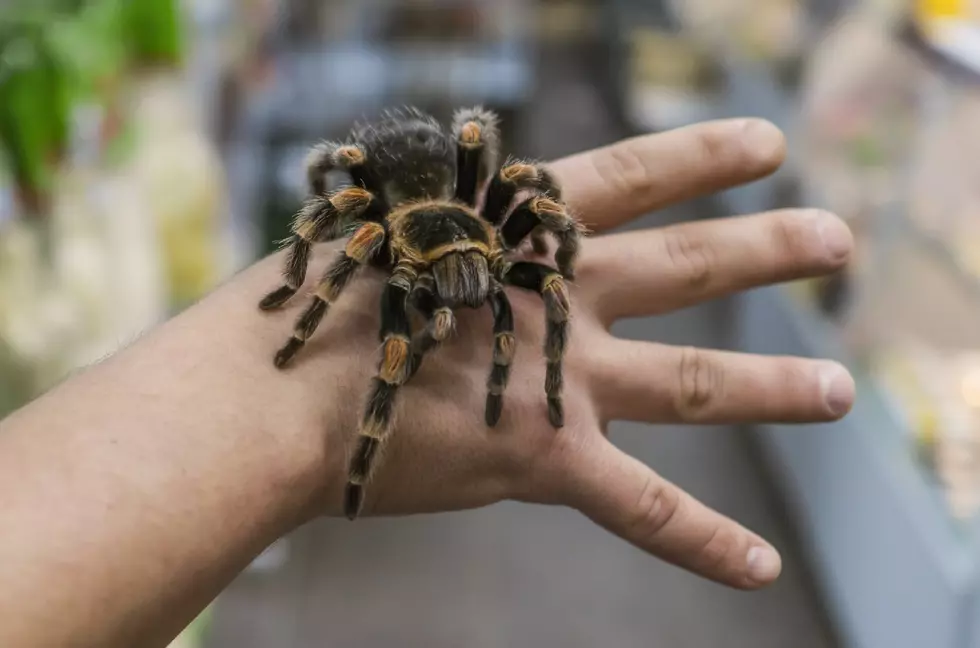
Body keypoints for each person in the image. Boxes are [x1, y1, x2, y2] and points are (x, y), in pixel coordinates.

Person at [0, 118, 854, 647]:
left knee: (533, 257)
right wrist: (304, 314)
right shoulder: (375, 231)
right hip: (399, 204)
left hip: (455, 207)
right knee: (360, 275)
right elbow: (333, 241)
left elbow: (532, 196)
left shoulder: (494, 233)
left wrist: (563, 276)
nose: (472, 292)